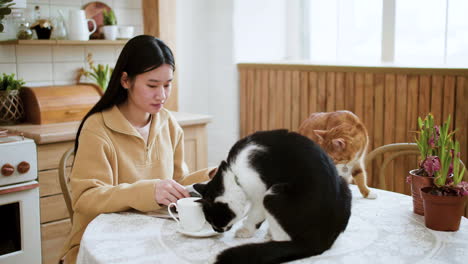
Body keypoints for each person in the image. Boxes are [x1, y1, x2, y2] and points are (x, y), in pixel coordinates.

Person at [60, 35, 215, 264]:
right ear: (125, 80)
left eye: (167, 84)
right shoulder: (97, 128)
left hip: (150, 237)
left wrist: (211, 176)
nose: (161, 95)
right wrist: (149, 191)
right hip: (100, 244)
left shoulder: (168, 123)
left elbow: (178, 182)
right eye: (152, 85)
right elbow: (85, 198)